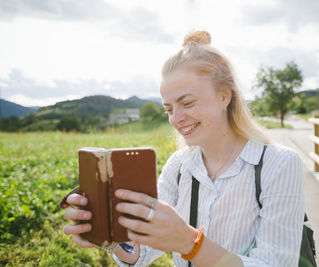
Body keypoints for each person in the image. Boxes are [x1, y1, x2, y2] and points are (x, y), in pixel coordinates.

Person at [63, 31, 305, 267]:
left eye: (187, 103)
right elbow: (145, 250)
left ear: (224, 96)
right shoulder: (178, 167)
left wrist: (191, 243)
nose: (175, 119)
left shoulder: (279, 164)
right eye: (168, 109)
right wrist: (110, 236)